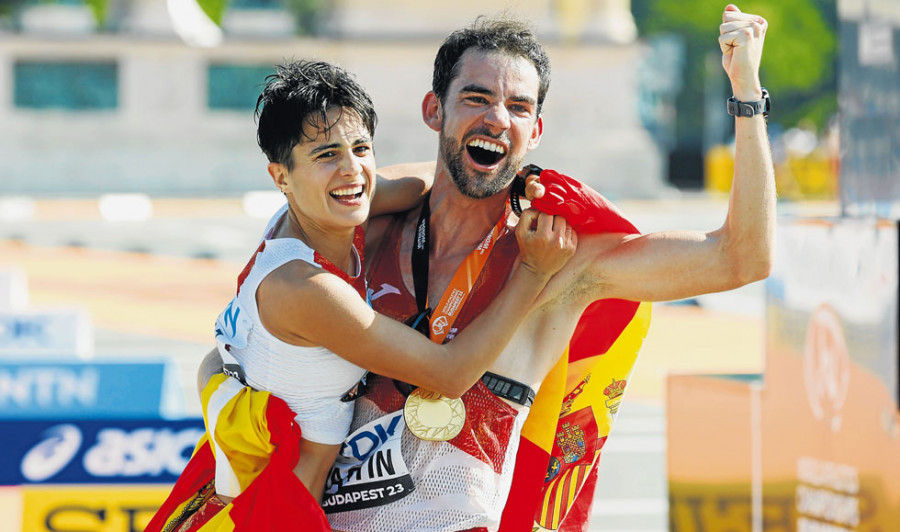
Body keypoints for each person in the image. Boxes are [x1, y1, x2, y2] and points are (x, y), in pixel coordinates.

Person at [202, 4, 773, 531]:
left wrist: (747, 97)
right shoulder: (364, 232)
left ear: (536, 131)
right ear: (435, 110)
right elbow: (243, 331)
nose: (498, 118)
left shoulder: (559, 259)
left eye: (519, 107)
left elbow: (740, 258)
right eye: (476, 99)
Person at [146, 60, 576, 532]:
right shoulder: (306, 288)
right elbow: (449, 374)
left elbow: (422, 184)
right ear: (281, 177)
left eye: (361, 148)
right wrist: (532, 272)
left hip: (270, 495)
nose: (352, 171)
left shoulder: (327, 217)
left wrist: (509, 175)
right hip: (270, 515)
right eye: (326, 154)